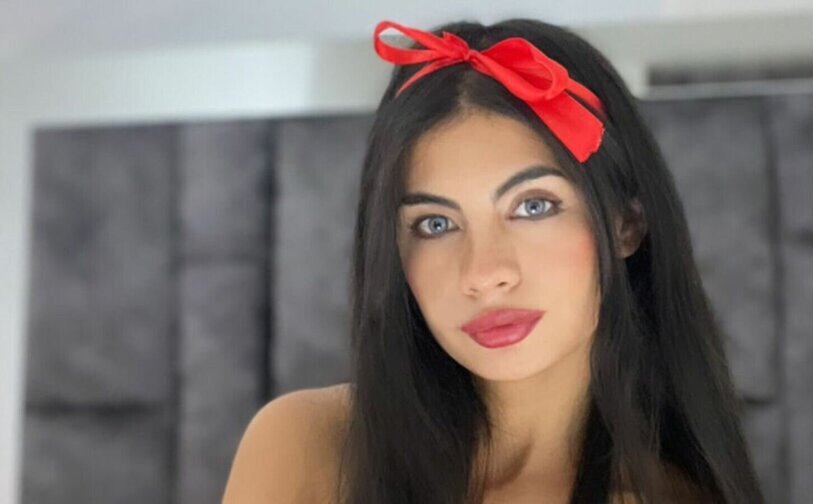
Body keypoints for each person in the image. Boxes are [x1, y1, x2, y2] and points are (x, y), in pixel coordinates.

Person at [222, 17, 765, 504]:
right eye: (435, 224)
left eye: (533, 206)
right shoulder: (303, 447)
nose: (483, 274)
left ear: (627, 224)